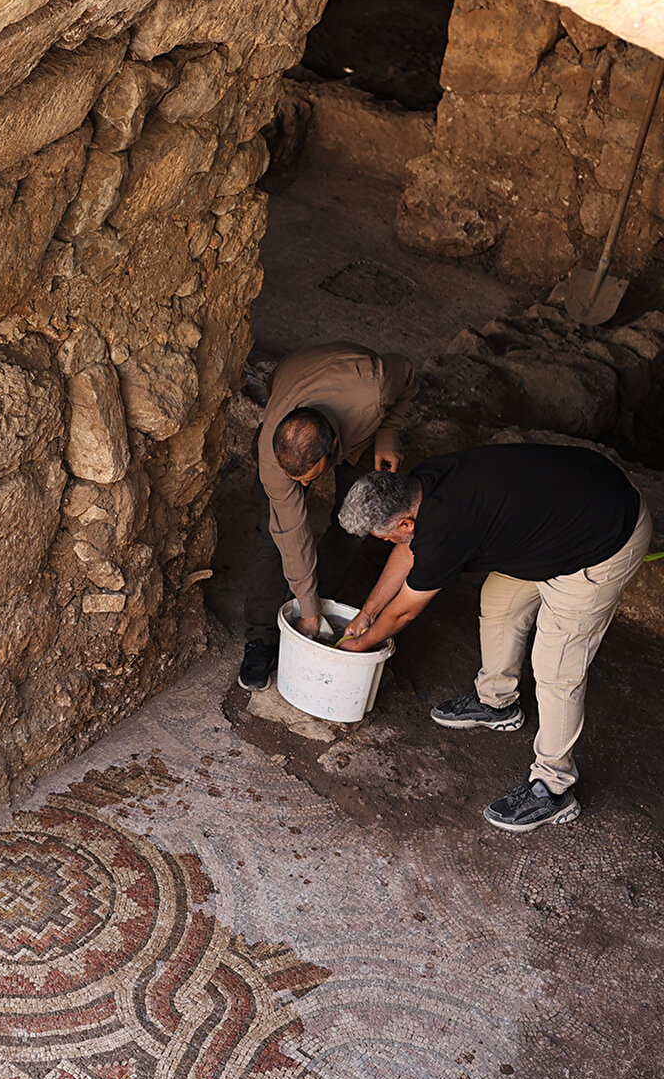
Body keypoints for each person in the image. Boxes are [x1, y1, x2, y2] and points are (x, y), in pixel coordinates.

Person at [336, 443, 652, 832]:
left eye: (384, 536)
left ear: (405, 523)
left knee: (556, 667)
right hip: (564, 511)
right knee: (499, 603)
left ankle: (553, 788)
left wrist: (361, 645)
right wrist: (365, 615)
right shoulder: (422, 484)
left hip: (602, 538)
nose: (387, 543)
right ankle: (497, 702)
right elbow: (408, 552)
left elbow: (405, 609)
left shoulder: (447, 526)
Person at [238, 341, 417, 691]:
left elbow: (408, 375)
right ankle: (261, 637)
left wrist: (388, 432)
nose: (303, 486)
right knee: (274, 531)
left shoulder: (375, 389)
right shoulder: (273, 458)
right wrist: (305, 609)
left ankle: (324, 601)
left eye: (308, 478)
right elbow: (292, 531)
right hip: (294, 374)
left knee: (356, 522)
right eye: (296, 479)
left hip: (358, 418)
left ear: (333, 448)